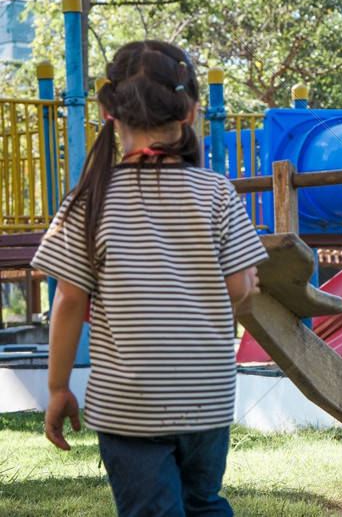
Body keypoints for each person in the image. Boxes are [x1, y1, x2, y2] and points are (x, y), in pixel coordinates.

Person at [31, 40, 269, 516]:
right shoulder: (217, 192)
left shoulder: (89, 200)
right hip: (207, 397)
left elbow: (68, 303)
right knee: (203, 502)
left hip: (129, 402)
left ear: (106, 111)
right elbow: (240, 288)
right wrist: (244, 287)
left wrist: (58, 387)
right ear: (191, 111)